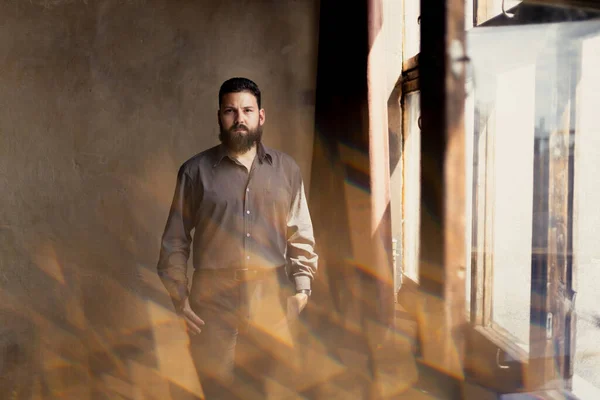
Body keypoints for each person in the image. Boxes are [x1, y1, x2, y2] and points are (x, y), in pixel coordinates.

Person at [156, 77, 318, 399]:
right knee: (216, 388)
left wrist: (302, 289)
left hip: (269, 293)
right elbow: (175, 239)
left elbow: (300, 231)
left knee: (265, 388)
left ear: (261, 116)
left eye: (247, 110)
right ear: (219, 116)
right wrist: (179, 294)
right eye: (231, 111)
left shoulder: (287, 170)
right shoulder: (194, 171)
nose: (239, 118)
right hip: (212, 298)